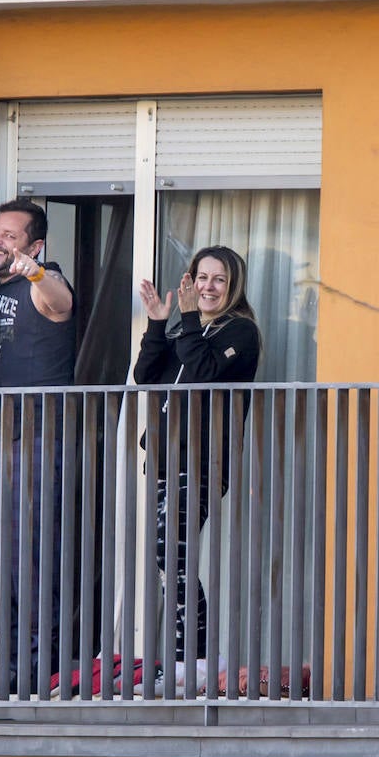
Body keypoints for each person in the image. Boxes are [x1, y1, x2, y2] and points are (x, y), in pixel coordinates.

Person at [0, 198, 77, 685]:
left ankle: (36, 668)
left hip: (32, 437)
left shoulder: (44, 279)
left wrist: (35, 273)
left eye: (10, 236)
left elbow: (62, 303)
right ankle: (9, 662)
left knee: (27, 557)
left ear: (35, 245)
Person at [132, 246, 261, 666]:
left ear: (233, 286)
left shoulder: (239, 332)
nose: (208, 287)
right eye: (202, 277)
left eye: (219, 279)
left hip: (204, 461)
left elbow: (203, 373)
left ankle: (195, 658)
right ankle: (189, 657)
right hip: (165, 459)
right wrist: (156, 324)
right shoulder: (182, 332)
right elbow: (146, 376)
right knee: (165, 559)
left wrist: (187, 321)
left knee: (172, 553)